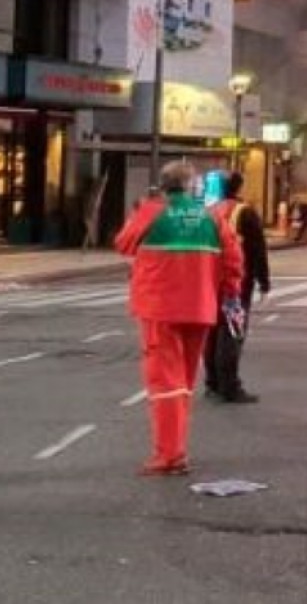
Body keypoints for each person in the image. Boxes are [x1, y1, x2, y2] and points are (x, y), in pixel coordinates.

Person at [115, 161, 244, 476]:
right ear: (191, 187)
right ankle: (176, 449)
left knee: (165, 383)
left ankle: (170, 455)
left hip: (160, 307)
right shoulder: (213, 217)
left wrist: (144, 210)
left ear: (162, 185)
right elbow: (233, 262)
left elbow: (123, 244)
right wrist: (230, 295)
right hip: (200, 307)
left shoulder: (152, 212)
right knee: (183, 381)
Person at [203, 172, 270, 405]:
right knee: (232, 334)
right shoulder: (245, 212)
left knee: (212, 333)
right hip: (236, 286)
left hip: (210, 285)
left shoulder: (210, 212)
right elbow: (258, 249)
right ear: (239, 188)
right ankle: (230, 386)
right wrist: (264, 281)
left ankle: (212, 382)